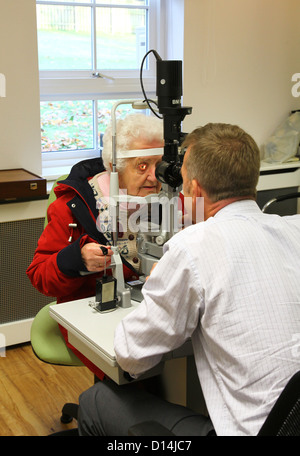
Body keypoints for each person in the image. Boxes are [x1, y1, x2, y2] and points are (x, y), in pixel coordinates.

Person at [77, 122, 300, 436]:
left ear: (193, 188)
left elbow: (131, 355)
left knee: (96, 400)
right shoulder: (295, 228)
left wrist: (162, 285)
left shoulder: (192, 247)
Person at [26, 113, 164, 377]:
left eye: (160, 164)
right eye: (142, 165)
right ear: (114, 166)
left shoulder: (168, 199)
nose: (154, 177)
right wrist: (75, 260)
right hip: (97, 314)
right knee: (137, 376)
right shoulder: (72, 205)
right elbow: (39, 274)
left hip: (155, 312)